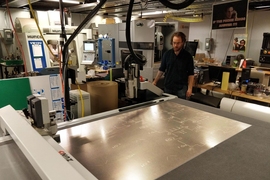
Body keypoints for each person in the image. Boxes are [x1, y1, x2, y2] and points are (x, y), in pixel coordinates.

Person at [152, 31, 194, 99]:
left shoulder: (188, 56)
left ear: (183, 43)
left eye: (178, 43)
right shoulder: (167, 54)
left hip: (181, 88)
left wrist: (190, 88)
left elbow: (191, 74)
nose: (175, 45)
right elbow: (161, 70)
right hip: (168, 86)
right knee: (167, 106)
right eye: (174, 43)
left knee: (180, 107)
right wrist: (155, 82)